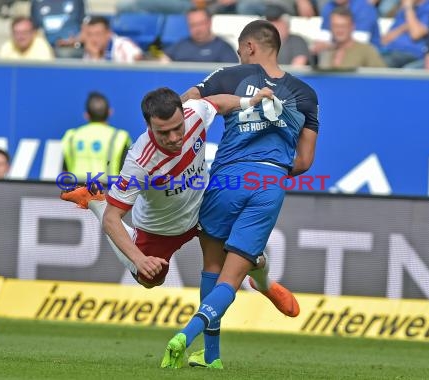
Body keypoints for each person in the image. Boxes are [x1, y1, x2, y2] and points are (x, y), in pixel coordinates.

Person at [162, 19, 319, 369]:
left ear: (249, 48)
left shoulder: (229, 74)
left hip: (227, 180)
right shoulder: (306, 94)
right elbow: (305, 161)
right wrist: (270, 169)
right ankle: (195, 343)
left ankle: (206, 351)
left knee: (212, 267)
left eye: (239, 48)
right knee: (231, 279)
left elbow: (185, 106)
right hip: (271, 182)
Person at [60, 87, 272, 288]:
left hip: (203, 207)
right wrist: (139, 259)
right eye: (164, 132)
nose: (174, 138)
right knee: (149, 279)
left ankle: (265, 286)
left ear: (183, 114)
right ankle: (96, 202)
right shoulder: (139, 163)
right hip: (161, 228)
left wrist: (248, 102)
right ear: (149, 125)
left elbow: (216, 103)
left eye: (178, 128)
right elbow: (111, 218)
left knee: (251, 256)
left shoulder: (194, 113)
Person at [61, 92, 132, 183]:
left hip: (75, 193)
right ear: (110, 112)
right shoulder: (119, 137)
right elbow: (126, 173)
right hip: (107, 193)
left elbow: (65, 172)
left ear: (86, 115)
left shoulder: (71, 136)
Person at [316, 7, 386, 69]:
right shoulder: (326, 52)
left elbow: (382, 77)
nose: (339, 30)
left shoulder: (367, 50)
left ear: (352, 26)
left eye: (343, 26)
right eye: (335, 26)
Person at [162, 7, 238, 63]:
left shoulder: (223, 48)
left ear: (209, 22)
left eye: (201, 24)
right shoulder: (180, 45)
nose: (197, 29)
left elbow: (232, 76)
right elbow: (162, 60)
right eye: (193, 25)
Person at [379, 0, 429, 68]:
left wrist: (408, 7)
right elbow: (384, 40)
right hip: (389, 51)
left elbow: (416, 34)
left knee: (382, 63)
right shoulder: (402, 11)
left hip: (411, 54)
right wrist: (403, 28)